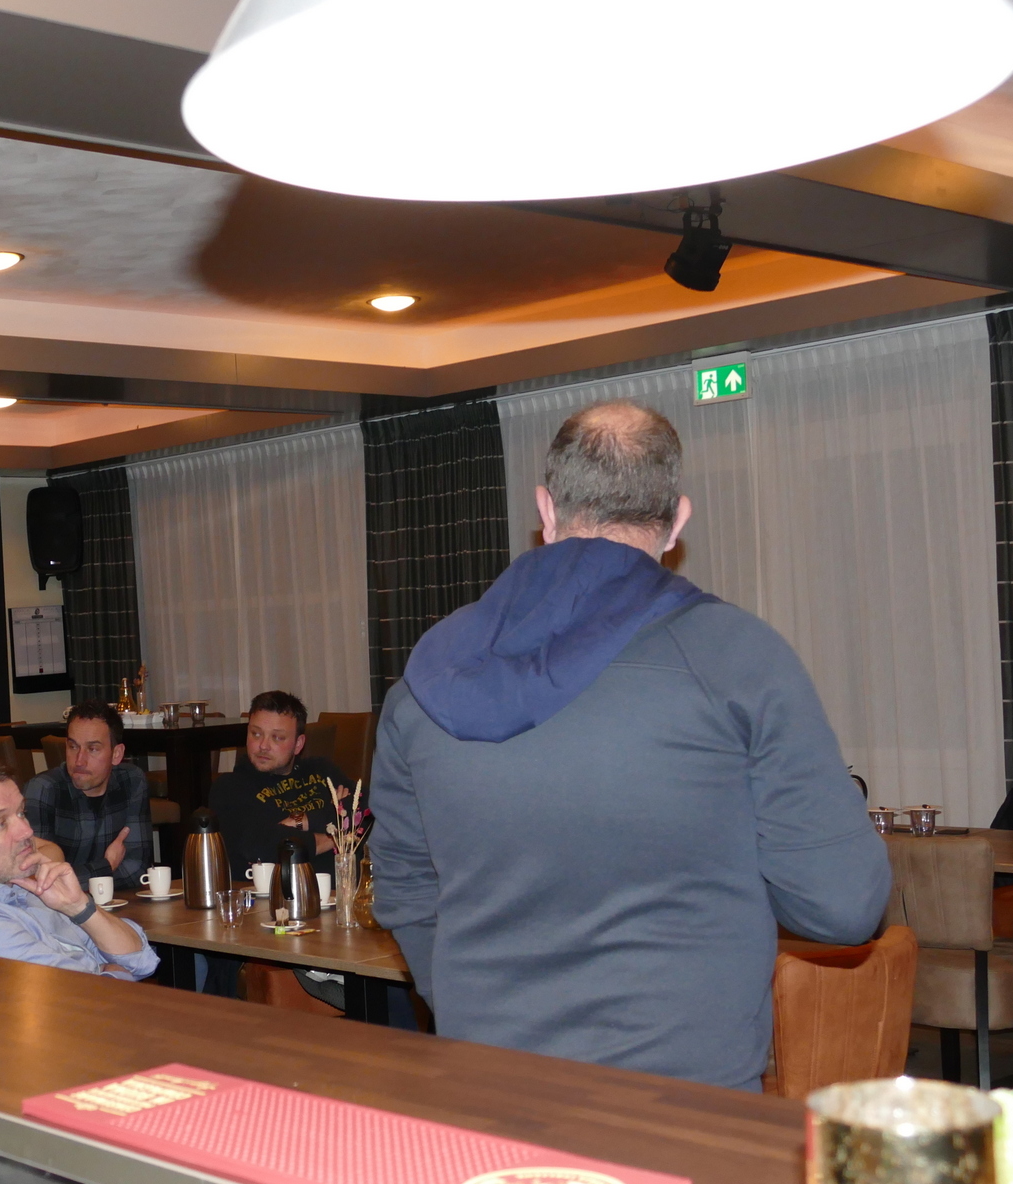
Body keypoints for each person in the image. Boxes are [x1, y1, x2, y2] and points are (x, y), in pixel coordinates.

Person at [370, 399, 891, 1091]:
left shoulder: (426, 678)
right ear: (677, 520)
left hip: (488, 1078)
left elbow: (405, 884)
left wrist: (470, 1005)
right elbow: (844, 905)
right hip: (683, 1091)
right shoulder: (736, 659)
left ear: (546, 510)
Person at [0, 759, 158, 980]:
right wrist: (115, 972)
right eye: (1, 823)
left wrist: (79, 907)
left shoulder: (24, 889)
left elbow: (141, 960)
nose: (27, 831)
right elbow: (98, 997)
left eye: (21, 813)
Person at [208, 690, 352, 879]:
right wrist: (334, 837)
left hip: (341, 889)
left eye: (277, 737)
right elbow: (264, 844)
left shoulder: (322, 771)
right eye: (256, 734)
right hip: (276, 892)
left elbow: (365, 808)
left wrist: (302, 821)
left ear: (298, 744)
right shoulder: (230, 787)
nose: (263, 745)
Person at [21, 700, 152, 892]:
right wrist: (107, 865)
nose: (79, 761)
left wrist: (78, 879)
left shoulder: (131, 781)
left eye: (93, 749)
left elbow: (137, 869)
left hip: (115, 902)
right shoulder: (43, 790)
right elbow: (41, 881)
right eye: (73, 746)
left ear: (116, 754)